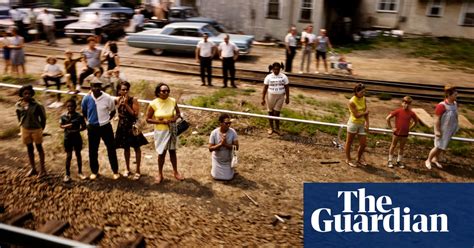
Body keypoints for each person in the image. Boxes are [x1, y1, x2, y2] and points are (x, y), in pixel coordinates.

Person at [146, 83, 184, 184]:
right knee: (161, 153)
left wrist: (173, 119)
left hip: (172, 129)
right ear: (158, 92)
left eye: (168, 91)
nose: (166, 93)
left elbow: (178, 114)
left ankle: (176, 172)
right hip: (160, 131)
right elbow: (148, 119)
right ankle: (160, 174)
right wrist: (161, 122)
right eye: (163, 91)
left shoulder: (173, 101)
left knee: (172, 151)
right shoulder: (153, 103)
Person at [81, 81, 120, 180]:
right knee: (93, 150)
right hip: (92, 127)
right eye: (94, 86)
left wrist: (106, 120)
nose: (97, 88)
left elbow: (112, 110)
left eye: (99, 86)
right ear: (91, 87)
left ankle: (115, 171)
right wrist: (90, 121)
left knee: (111, 148)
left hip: (105, 127)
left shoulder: (107, 98)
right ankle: (94, 171)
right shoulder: (86, 98)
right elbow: (84, 112)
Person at [115, 82, 148, 180]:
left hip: (132, 127)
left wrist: (126, 105)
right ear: (119, 90)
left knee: (136, 148)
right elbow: (116, 111)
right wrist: (119, 105)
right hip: (122, 126)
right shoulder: (118, 99)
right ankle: (127, 168)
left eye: (126, 89)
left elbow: (135, 114)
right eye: (123, 89)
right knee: (126, 148)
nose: (125, 91)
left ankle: (138, 170)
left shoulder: (133, 100)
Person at [15, 85, 46, 177]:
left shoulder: (37, 105)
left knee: (39, 148)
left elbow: (43, 118)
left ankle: (42, 169)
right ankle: (33, 168)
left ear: (32, 94)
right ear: (22, 95)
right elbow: (18, 116)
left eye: (29, 93)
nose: (27, 95)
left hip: (36, 129)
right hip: (25, 129)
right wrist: (21, 125)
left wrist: (41, 128)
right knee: (29, 148)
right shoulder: (18, 105)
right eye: (25, 93)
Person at [425, 86, 459, 170]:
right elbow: (436, 119)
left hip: (449, 129)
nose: (456, 96)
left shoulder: (454, 104)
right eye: (455, 95)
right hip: (442, 129)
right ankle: (428, 160)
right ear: (449, 95)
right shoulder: (441, 105)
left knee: (443, 146)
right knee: (438, 146)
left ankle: (435, 159)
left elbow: (456, 115)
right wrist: (437, 131)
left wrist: (456, 126)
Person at [386, 96, 418, 168]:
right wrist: (391, 128)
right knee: (393, 146)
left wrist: (410, 128)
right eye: (405, 103)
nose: (406, 105)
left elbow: (416, 122)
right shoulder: (398, 111)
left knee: (401, 147)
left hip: (405, 134)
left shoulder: (411, 113)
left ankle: (399, 161)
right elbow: (388, 118)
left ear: (410, 104)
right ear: (402, 103)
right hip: (396, 133)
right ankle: (390, 160)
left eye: (408, 103)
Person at [60, 99, 87, 182]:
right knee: (69, 156)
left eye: (72, 106)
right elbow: (61, 125)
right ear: (66, 107)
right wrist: (69, 125)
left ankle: (80, 172)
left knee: (78, 154)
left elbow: (84, 126)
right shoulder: (63, 116)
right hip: (67, 138)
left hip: (76, 137)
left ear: (75, 106)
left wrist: (77, 130)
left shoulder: (79, 116)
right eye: (68, 106)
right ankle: (67, 174)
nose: (70, 108)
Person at [261, 62, 290, 135]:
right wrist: (263, 98)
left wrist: (287, 98)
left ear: (280, 69)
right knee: (270, 112)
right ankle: (271, 128)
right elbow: (265, 88)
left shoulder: (284, 77)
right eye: (274, 69)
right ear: (272, 69)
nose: (276, 71)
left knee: (277, 113)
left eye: (278, 69)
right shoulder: (268, 77)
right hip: (270, 96)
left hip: (280, 96)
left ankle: (277, 129)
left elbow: (287, 88)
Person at [345, 83, 369, 167]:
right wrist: (365, 112)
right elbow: (356, 115)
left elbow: (366, 112)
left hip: (362, 124)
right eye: (362, 92)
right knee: (349, 142)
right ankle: (348, 159)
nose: (363, 94)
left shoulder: (364, 98)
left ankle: (358, 159)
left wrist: (367, 123)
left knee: (363, 144)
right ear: (356, 92)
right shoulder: (352, 101)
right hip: (353, 123)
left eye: (364, 92)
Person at [209, 113, 239, 180]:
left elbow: (236, 148)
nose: (228, 125)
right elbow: (210, 149)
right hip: (217, 159)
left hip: (228, 159)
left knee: (229, 177)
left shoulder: (233, 132)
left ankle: (232, 168)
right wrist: (220, 144)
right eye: (226, 123)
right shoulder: (214, 133)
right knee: (215, 176)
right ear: (221, 123)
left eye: (229, 123)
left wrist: (225, 145)